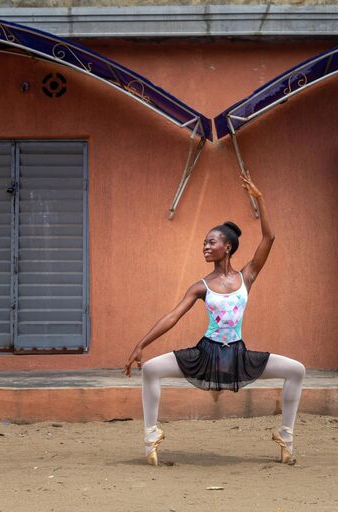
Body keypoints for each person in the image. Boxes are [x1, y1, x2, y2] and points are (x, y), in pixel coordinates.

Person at [124, 176, 306, 466]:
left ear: (228, 247)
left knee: (297, 370)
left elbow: (268, 239)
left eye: (211, 242)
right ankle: (150, 436)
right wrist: (140, 344)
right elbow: (173, 315)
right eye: (204, 243)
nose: (205, 247)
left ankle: (286, 436)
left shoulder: (246, 276)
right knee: (150, 370)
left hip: (237, 355)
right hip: (206, 354)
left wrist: (260, 198)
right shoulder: (200, 286)